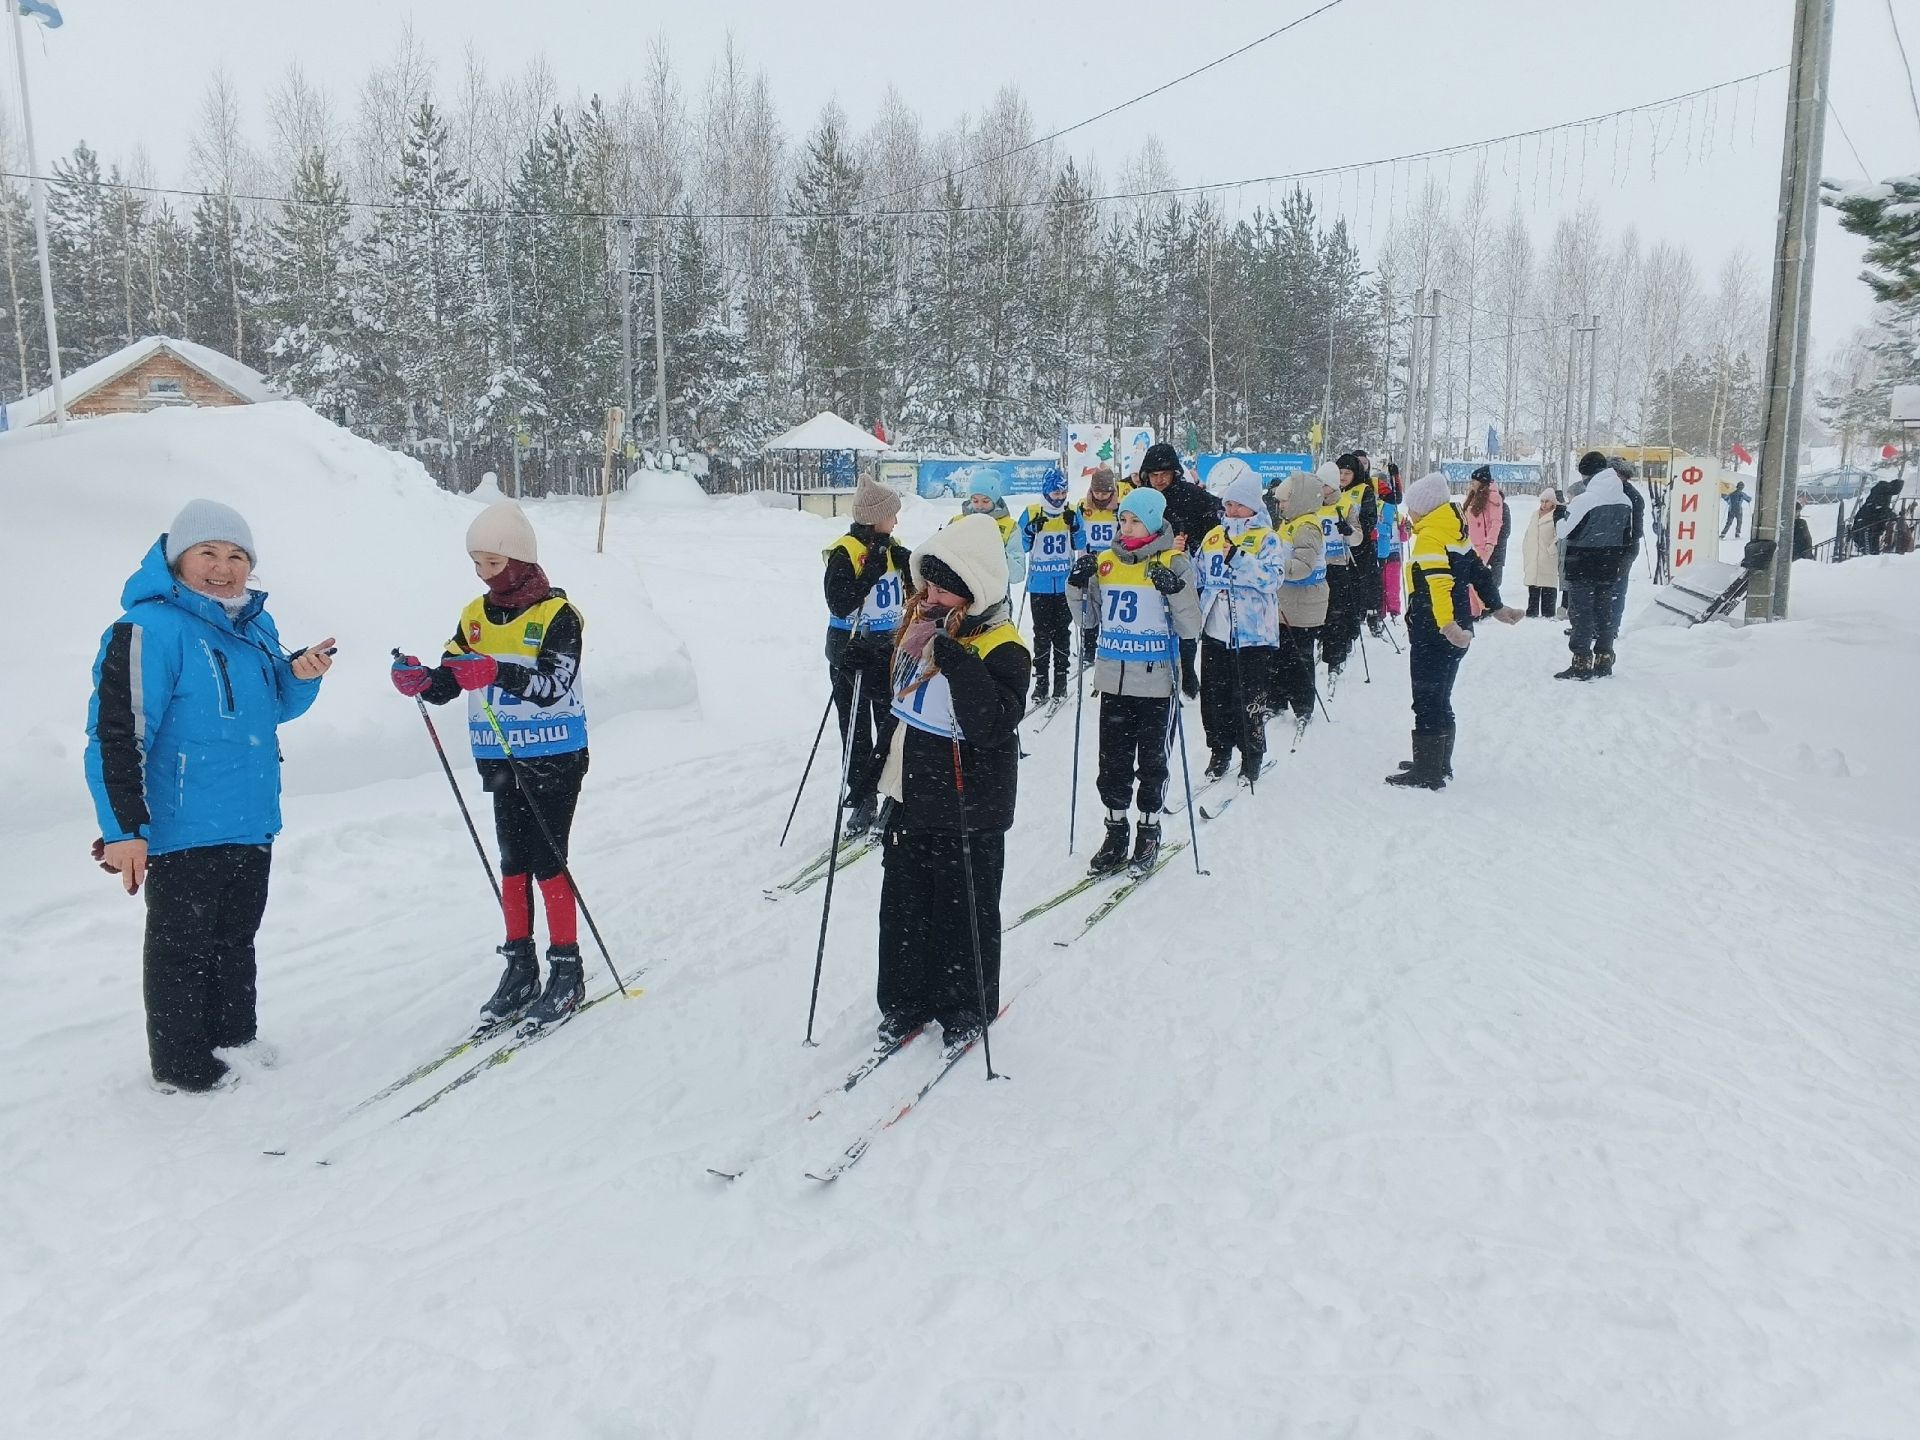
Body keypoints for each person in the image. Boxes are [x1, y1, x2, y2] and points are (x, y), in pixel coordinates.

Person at [85, 500, 335, 1093]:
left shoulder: (253, 625)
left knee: (235, 939)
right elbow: (117, 733)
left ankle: (235, 1040)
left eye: (237, 556)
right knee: (182, 952)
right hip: (182, 823)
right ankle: (182, 1067)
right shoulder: (148, 628)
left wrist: (300, 675)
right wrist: (124, 830)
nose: (223, 569)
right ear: (178, 561)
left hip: (250, 819)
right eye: (209, 554)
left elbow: (272, 708)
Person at [390, 500, 591, 1029]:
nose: (484, 574)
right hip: (498, 755)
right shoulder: (475, 615)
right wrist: (424, 680)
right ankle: (519, 965)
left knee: (549, 859)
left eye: (493, 564)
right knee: (511, 861)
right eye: (476, 564)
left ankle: (566, 969)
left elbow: (552, 686)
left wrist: (496, 672)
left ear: (520, 560)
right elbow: (454, 677)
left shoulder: (557, 615)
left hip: (553, 754)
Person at [874, 514, 1031, 1048]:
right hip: (911, 791)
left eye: (942, 588)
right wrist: (865, 665)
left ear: (972, 590)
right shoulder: (920, 628)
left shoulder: (1004, 646)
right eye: (927, 584)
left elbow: (991, 723)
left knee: (964, 907)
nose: (929, 596)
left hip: (970, 801)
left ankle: (966, 1005)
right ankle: (905, 999)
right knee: (904, 903)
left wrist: (954, 660)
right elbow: (899, 706)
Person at [1067, 487, 1202, 874]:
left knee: (1153, 762)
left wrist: (1174, 590)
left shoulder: (1174, 562)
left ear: (1155, 521)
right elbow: (1088, 619)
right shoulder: (1105, 562)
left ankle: (1149, 829)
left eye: (1135, 520)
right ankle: (1115, 831)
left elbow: (1190, 625)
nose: (1126, 527)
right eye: (1122, 519)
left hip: (1157, 682)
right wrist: (1076, 585)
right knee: (1112, 763)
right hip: (1113, 680)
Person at [1385, 474, 1521, 790]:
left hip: (1437, 631)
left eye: (1412, 509)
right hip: (1458, 629)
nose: (1410, 515)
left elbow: (1439, 585)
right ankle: (1436, 762)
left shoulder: (1431, 537)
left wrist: (1447, 626)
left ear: (1423, 508)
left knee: (1426, 698)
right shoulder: (1453, 532)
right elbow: (1479, 572)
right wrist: (1497, 607)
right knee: (1440, 695)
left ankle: (1428, 772)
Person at [820, 475, 911, 833]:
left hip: (888, 647)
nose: (897, 522)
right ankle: (862, 798)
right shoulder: (845, 551)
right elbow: (839, 603)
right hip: (852, 649)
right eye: (892, 515)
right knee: (856, 730)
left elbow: (913, 592)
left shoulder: (893, 545)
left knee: (891, 726)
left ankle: (891, 794)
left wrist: (909, 567)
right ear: (875, 517)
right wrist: (869, 572)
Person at [1192, 460, 1283, 783]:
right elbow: (1199, 574)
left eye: (1237, 504)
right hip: (1216, 631)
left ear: (1251, 507)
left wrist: (1240, 560)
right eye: (1227, 503)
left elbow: (1273, 579)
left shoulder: (1266, 538)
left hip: (1251, 636)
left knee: (1248, 700)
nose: (1230, 509)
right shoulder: (1215, 536)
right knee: (1214, 700)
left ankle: (1252, 754)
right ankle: (1219, 750)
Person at [1135, 440, 1217, 699]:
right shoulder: (1140, 498)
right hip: (1148, 570)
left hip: (1184, 568)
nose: (1159, 480)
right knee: (1155, 623)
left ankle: (1187, 672)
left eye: (1165, 474)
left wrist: (1192, 542)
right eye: (1154, 475)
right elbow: (1127, 531)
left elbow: (1215, 522)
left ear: (1175, 473)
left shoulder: (1190, 494)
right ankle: (1158, 672)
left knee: (1184, 621)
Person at [1554, 452, 1633, 681]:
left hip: (1582, 564)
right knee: (1604, 613)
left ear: (1586, 474)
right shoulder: (1624, 500)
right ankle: (1604, 659)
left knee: (1581, 614)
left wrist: (1559, 514)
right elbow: (1627, 535)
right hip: (1610, 564)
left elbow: (1563, 531)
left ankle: (1581, 661)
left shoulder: (1585, 500)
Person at [1267, 469, 1330, 731]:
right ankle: (1277, 699)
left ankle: (1303, 705)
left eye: (1284, 502)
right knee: (1280, 655)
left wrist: (1273, 565)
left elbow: (1303, 565)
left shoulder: (1307, 527)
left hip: (1305, 604)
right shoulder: (1291, 523)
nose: (1280, 506)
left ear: (1299, 501)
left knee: (1299, 657)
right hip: (1287, 601)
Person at [1018, 466, 1085, 705]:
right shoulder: (1032, 511)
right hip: (1040, 585)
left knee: (1062, 633)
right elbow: (1022, 546)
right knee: (1042, 634)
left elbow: (1080, 543)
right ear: (1046, 491)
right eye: (1055, 493)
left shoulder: (1072, 511)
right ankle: (1041, 682)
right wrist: (1030, 530)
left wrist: (1075, 526)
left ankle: (1060, 680)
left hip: (1064, 584)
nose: (1059, 497)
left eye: (1063, 492)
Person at [1075, 466, 1125, 663]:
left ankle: (1110, 643)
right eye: (1097, 492)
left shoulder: (1120, 509)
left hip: (1113, 565)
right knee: (1089, 606)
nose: (1101, 496)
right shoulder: (1082, 507)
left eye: (1105, 492)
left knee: (1110, 607)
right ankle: (1088, 649)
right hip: (1090, 564)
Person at [1315, 461, 1360, 678]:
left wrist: (1348, 531)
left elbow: (1358, 538)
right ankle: (1320, 643)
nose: (1319, 489)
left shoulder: (1346, 504)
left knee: (1336, 614)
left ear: (1332, 485)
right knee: (1319, 612)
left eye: (1323, 485)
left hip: (1338, 566)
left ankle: (1335, 658)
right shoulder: (1311, 504)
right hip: (1316, 567)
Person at [1337, 453, 1384, 636]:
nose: (1342, 477)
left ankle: (1367, 618)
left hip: (1361, 547)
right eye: (1340, 472)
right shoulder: (1332, 491)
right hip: (1338, 550)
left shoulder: (1364, 490)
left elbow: (1369, 518)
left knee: (1364, 586)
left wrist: (1353, 531)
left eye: (1347, 473)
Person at [958, 467, 1028, 586]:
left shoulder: (1010, 527)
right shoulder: (958, 522)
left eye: (985, 501)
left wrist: (998, 553)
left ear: (995, 500)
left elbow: (1017, 574)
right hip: (962, 596)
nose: (980, 506)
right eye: (975, 501)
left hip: (996, 598)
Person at [1461, 466, 1510, 617]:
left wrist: (1490, 542)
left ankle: (1481, 609)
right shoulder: (1473, 496)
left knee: (1475, 577)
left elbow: (1496, 522)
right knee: (1469, 577)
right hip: (1470, 542)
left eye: (1474, 481)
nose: (1472, 484)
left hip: (1483, 544)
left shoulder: (1493, 497)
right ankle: (1474, 609)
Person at [1521, 482, 1562, 617]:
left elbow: (1559, 536)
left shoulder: (1557, 516)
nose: (1544, 504)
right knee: (1533, 585)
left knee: (1548, 586)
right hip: (1533, 555)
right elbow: (1529, 533)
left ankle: (1548, 613)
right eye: (1542, 501)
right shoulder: (1535, 515)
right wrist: (1526, 549)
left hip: (1548, 556)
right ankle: (1531, 611)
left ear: (1553, 502)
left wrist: (1552, 549)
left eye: (1547, 501)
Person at [1376, 477, 1407, 619]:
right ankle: (1380, 610)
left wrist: (1405, 529)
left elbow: (1404, 537)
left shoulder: (1398, 515)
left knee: (1393, 586)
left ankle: (1394, 610)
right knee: (1379, 584)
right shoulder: (1375, 510)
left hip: (1394, 552)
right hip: (1380, 552)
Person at [1851, 476, 1906, 555]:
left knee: (1873, 548)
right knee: (1869, 550)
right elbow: (1881, 509)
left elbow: (1883, 509)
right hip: (1865, 525)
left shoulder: (1885, 492)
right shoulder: (1882, 491)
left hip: (1872, 525)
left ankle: (1873, 558)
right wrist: (1895, 517)